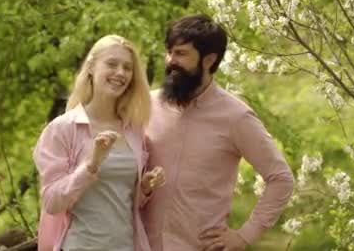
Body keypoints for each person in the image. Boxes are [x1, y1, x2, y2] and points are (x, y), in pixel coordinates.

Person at [142, 14, 295, 251]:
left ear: (208, 60)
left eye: (181, 54)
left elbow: (281, 178)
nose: (170, 61)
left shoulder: (236, 117)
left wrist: (244, 236)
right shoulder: (145, 106)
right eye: (169, 52)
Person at [33, 35, 165, 251]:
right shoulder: (63, 129)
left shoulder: (134, 131)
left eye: (127, 68)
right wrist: (91, 165)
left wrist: (145, 187)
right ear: (92, 67)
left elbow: (121, 201)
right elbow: (52, 202)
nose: (120, 73)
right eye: (112, 64)